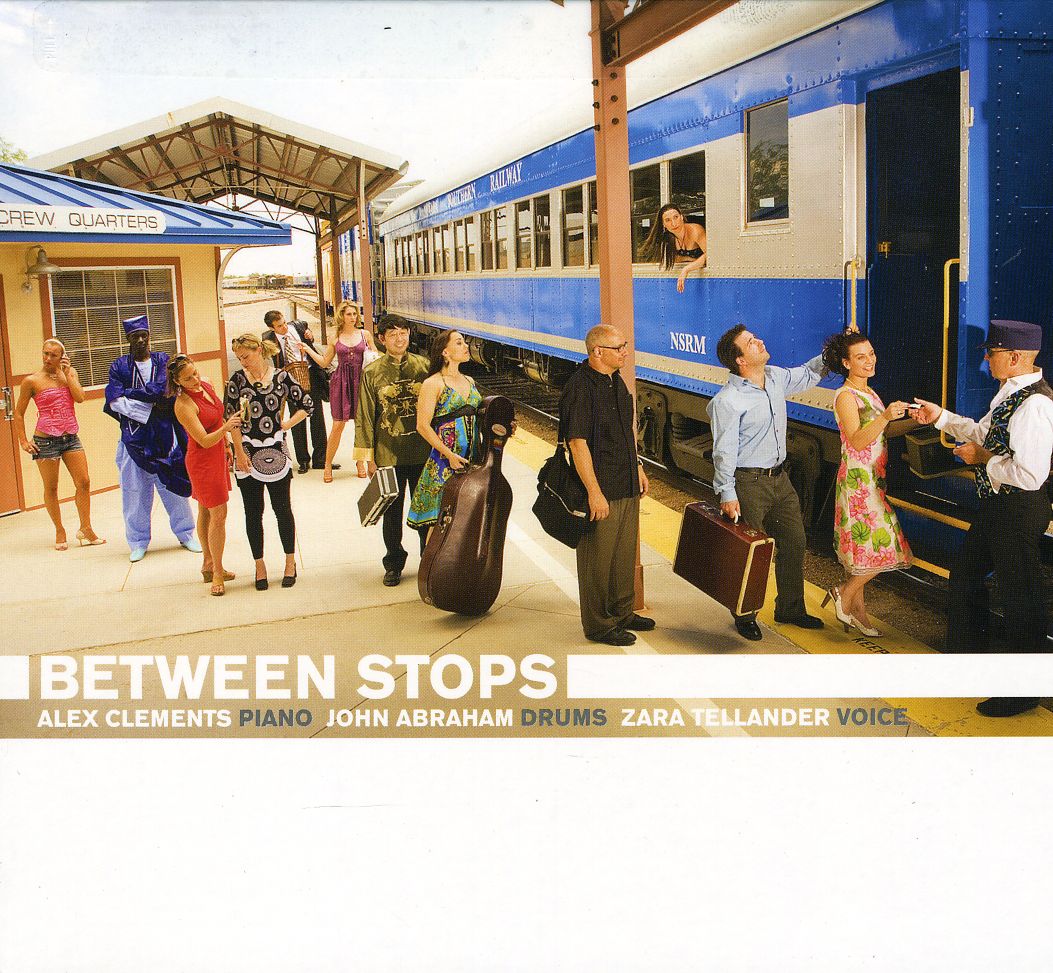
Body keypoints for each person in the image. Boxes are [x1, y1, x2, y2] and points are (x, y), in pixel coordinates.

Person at [914, 319, 1053, 718]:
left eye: (991, 354)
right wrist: (940, 417)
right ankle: (966, 664)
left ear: (1015, 357)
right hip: (998, 506)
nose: (986, 361)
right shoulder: (1011, 393)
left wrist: (983, 459)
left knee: (1020, 597)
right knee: (965, 576)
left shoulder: (1036, 405)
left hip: (1019, 509)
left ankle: (1024, 692)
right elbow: (981, 432)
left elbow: (1030, 475)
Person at [708, 324, 826, 640]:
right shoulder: (728, 400)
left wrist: (833, 353)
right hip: (748, 483)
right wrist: (727, 493)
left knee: (795, 542)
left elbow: (808, 374)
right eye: (750, 342)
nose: (759, 341)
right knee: (751, 551)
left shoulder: (774, 378)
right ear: (740, 360)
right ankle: (745, 615)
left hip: (779, 479)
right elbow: (723, 451)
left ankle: (790, 609)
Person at [559, 324, 652, 646]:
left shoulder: (616, 381)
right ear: (598, 351)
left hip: (625, 481)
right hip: (601, 488)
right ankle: (599, 625)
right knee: (597, 560)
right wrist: (594, 493)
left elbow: (625, 431)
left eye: (625, 345)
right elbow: (577, 443)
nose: (626, 352)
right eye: (619, 347)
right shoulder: (580, 387)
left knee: (622, 555)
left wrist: (637, 466)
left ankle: (622, 613)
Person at [820, 330, 914, 636]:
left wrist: (914, 421)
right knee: (887, 546)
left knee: (861, 552)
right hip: (858, 484)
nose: (869, 361)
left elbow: (882, 433)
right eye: (860, 357)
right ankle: (843, 593)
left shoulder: (869, 392)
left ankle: (857, 611)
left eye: (871, 354)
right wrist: (885, 416)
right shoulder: (845, 396)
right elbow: (858, 440)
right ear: (846, 363)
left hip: (873, 479)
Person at [103, 314, 198, 563]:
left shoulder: (162, 361)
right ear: (128, 339)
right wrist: (150, 411)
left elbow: (162, 390)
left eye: (144, 335)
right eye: (135, 337)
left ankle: (186, 534)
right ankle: (137, 541)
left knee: (173, 485)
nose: (140, 340)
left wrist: (133, 393)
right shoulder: (119, 366)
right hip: (133, 439)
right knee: (134, 492)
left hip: (165, 436)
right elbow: (115, 401)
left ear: (149, 337)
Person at [226, 333, 313, 590]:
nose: (243, 362)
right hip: (247, 452)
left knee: (282, 509)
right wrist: (239, 453)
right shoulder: (237, 380)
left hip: (276, 450)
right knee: (253, 513)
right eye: (239, 358)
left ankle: (290, 561)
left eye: (246, 356)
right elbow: (231, 419)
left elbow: (306, 404)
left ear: (259, 351)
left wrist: (287, 424)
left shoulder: (281, 377)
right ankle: (259, 565)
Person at [354, 314, 430, 587]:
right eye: (393, 334)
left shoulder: (424, 367)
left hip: (423, 453)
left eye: (403, 333)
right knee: (392, 513)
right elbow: (364, 416)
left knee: (426, 510)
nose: (400, 339)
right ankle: (394, 563)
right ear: (382, 339)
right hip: (389, 454)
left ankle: (429, 560)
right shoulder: (372, 373)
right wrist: (367, 457)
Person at [14, 339, 104, 550]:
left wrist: (67, 375)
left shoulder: (70, 374)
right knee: (51, 487)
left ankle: (86, 528)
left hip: (70, 436)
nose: (48, 358)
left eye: (53, 355)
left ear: (62, 356)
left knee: (84, 481)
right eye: (45, 353)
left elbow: (80, 398)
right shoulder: (32, 381)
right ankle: (59, 529)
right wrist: (23, 441)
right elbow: (18, 413)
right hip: (45, 440)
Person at [169, 355, 242, 596]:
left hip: (217, 454)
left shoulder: (207, 385)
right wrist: (227, 428)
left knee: (206, 510)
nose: (195, 379)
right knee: (218, 514)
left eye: (195, 373)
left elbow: (217, 417)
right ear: (177, 382)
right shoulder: (183, 405)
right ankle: (217, 573)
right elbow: (203, 440)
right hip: (202, 460)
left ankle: (209, 564)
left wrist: (227, 444)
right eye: (188, 378)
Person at [407, 330, 482, 535]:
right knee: (439, 525)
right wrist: (449, 455)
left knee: (465, 523)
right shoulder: (433, 383)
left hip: (471, 460)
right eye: (459, 343)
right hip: (444, 462)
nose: (466, 346)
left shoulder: (470, 381)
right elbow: (422, 425)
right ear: (445, 352)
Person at [299, 300, 376, 481]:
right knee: (338, 425)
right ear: (342, 316)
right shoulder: (335, 338)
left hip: (361, 382)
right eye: (349, 314)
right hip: (341, 383)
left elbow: (375, 356)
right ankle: (327, 464)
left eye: (355, 314)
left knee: (362, 425)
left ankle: (360, 462)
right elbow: (324, 362)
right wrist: (308, 349)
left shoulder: (365, 334)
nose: (353, 317)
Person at [262, 310, 331, 475]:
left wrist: (310, 335)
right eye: (279, 326)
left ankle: (320, 459)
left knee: (317, 416)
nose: (284, 327)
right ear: (272, 328)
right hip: (290, 379)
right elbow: (267, 357)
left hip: (310, 373)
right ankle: (303, 460)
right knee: (297, 419)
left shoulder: (299, 326)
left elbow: (309, 336)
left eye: (284, 323)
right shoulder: (268, 339)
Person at [642, 203, 707, 293]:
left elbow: (709, 256)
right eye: (668, 220)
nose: (674, 223)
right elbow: (672, 260)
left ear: (681, 217)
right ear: (664, 224)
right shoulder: (668, 239)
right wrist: (690, 259)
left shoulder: (696, 231)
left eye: (676, 217)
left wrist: (686, 269)